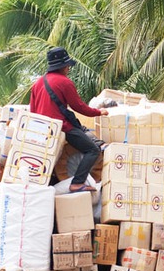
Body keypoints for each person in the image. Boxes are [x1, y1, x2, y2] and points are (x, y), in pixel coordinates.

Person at [29, 47, 109, 193]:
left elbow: (33, 111)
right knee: (93, 150)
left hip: (42, 130)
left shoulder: (38, 83)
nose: (68, 69)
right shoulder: (65, 82)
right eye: (67, 66)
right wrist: (99, 112)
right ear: (62, 66)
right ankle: (77, 182)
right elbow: (79, 107)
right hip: (61, 127)